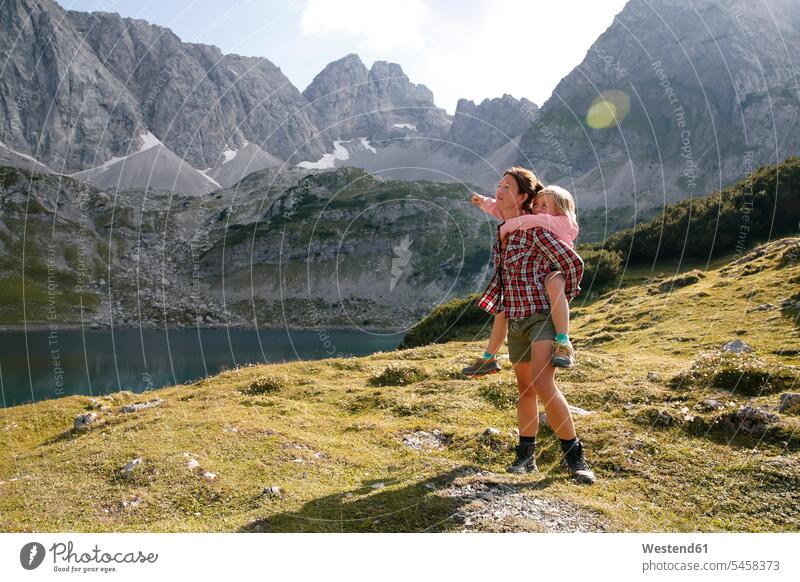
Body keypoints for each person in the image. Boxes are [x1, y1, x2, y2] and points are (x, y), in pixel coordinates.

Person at [474, 167, 595, 484]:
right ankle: (525, 458)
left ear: (523, 197)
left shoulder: (537, 230)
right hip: (515, 321)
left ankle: (575, 457)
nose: (499, 190)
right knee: (525, 389)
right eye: (498, 185)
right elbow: (504, 283)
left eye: (507, 187)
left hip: (541, 317)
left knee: (543, 384)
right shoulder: (505, 235)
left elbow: (573, 263)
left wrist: (559, 287)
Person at [463, 184, 580, 375]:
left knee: (554, 285)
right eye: (537, 204)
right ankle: (488, 358)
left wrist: (510, 225)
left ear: (560, 209)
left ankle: (563, 342)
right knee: (502, 310)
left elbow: (527, 219)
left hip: (554, 269)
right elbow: (510, 213)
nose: (538, 208)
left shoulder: (562, 221)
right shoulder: (533, 217)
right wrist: (485, 202)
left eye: (545, 205)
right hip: (535, 272)